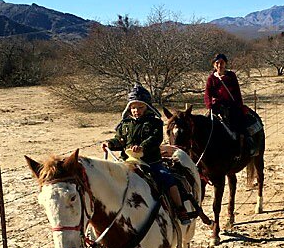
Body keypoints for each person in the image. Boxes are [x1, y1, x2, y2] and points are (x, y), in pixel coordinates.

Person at [103, 84, 192, 225]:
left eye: (140, 107)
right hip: (127, 162)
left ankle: (180, 209)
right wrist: (110, 144)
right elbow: (120, 140)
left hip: (151, 162)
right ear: (129, 108)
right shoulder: (124, 124)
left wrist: (142, 147)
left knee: (168, 180)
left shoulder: (155, 123)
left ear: (147, 107)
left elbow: (155, 139)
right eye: (133, 107)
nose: (136, 111)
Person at [204, 53, 246, 160]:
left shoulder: (231, 76)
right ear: (214, 65)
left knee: (238, 127)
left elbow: (237, 92)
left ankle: (239, 150)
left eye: (222, 63)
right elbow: (207, 94)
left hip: (231, 107)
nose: (219, 65)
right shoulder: (211, 79)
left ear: (225, 64)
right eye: (217, 63)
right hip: (216, 108)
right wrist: (210, 106)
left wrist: (239, 106)